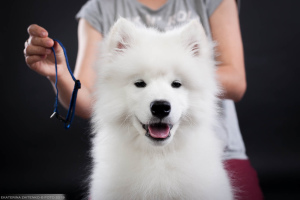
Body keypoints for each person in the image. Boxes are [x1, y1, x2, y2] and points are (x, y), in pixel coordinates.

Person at [24, 0, 263, 199]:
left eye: (176, 84)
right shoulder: (100, 7)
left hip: (227, 152)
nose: (160, 99)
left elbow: (236, 82)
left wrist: (183, 68)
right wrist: (60, 74)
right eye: (139, 83)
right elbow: (90, 98)